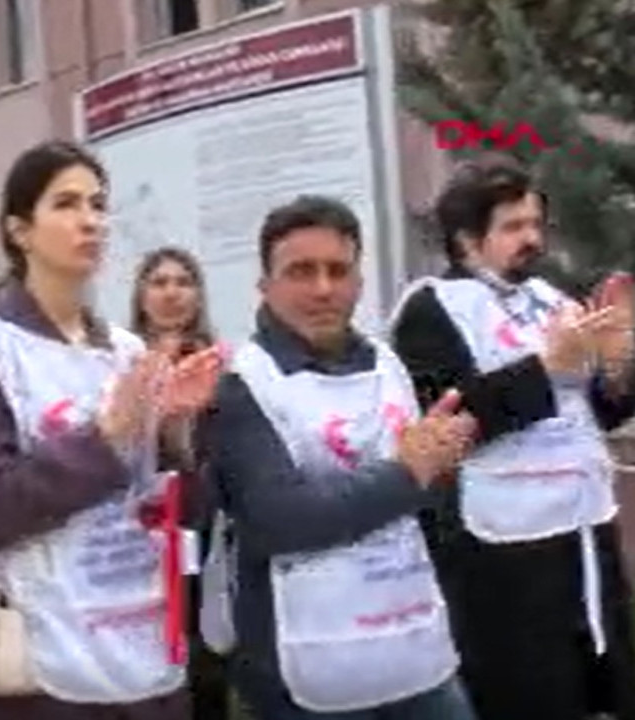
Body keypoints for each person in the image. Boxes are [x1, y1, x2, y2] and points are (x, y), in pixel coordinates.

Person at [0, 140, 223, 720]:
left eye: (97, 203)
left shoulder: (125, 350)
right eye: (65, 204)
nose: (90, 220)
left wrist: (175, 434)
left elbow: (178, 511)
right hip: (42, 666)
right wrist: (107, 436)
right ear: (19, 230)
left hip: (140, 647)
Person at [198, 196, 479, 719]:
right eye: (301, 271)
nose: (323, 288)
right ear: (266, 286)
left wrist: (440, 463)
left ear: (359, 281)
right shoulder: (244, 386)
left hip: (413, 644)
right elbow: (283, 520)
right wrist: (406, 473)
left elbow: (430, 494)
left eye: (338, 270)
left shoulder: (388, 364)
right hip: (306, 668)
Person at [390, 158, 635, 720]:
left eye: (535, 224)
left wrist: (621, 370)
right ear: (466, 238)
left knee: (601, 688)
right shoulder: (431, 308)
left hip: (582, 531)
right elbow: (442, 422)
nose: (533, 239)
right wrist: (545, 369)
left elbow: (593, 411)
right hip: (504, 545)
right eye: (513, 227)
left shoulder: (553, 300)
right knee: (528, 691)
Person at [129, 247, 230, 720]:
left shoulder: (221, 364)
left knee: (205, 654)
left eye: (183, 281)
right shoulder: (124, 363)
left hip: (206, 529)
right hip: (141, 537)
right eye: (159, 282)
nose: (172, 292)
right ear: (141, 295)